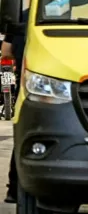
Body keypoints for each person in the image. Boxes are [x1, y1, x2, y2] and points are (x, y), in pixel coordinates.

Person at [3, 11, 24, 203]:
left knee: (22, 137)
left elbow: (6, 53)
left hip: (24, 84)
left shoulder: (20, 19)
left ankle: (14, 189)